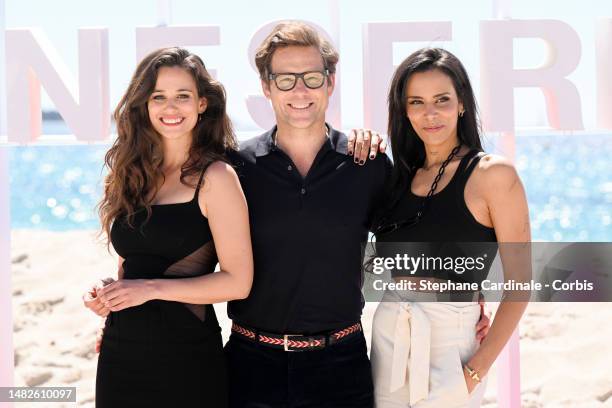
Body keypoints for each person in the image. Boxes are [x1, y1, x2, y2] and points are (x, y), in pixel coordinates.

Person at [83, 47, 253, 408]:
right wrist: (109, 291)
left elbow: (238, 282)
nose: (170, 108)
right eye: (158, 96)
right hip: (118, 350)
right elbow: (135, 261)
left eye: (182, 96)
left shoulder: (217, 177)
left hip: (185, 354)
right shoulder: (131, 174)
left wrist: (149, 289)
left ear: (202, 104)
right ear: (144, 105)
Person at [370, 48, 530, 407]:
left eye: (442, 99)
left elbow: (520, 286)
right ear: (404, 111)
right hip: (389, 333)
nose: (430, 114)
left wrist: (475, 371)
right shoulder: (397, 179)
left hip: (451, 342)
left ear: (461, 104)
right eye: (417, 102)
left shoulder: (493, 174)